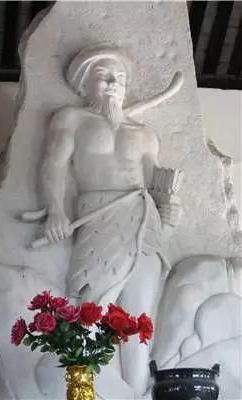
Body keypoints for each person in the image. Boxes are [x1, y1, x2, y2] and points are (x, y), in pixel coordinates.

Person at [34, 43, 182, 395]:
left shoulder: (145, 134)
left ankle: (136, 390)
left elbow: (156, 184)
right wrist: (55, 209)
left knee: (139, 320)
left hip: (143, 222)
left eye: (120, 77)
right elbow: (53, 165)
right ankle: (81, 392)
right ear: (84, 82)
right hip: (98, 219)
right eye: (104, 76)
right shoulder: (71, 119)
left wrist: (170, 211)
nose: (114, 83)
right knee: (89, 310)